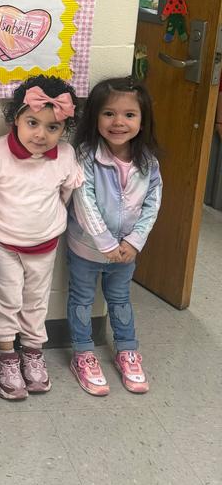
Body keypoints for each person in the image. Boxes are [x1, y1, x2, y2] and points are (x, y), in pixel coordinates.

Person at [0, 76, 82, 400]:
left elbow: (65, 194)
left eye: (53, 127)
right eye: (33, 122)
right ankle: (5, 356)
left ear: (64, 130)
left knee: (36, 300)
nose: (41, 134)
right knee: (7, 300)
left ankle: (33, 352)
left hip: (45, 243)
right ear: (15, 118)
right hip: (3, 243)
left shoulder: (65, 155)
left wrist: (44, 223)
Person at [67, 77, 162, 395]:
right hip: (86, 249)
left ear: (142, 119)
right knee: (81, 299)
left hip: (125, 253)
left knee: (120, 300)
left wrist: (134, 242)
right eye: (109, 113)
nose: (119, 122)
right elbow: (84, 202)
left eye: (129, 115)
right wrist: (106, 243)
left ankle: (127, 350)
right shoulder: (85, 156)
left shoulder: (148, 162)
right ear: (95, 116)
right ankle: (82, 353)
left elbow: (153, 202)